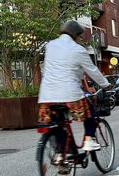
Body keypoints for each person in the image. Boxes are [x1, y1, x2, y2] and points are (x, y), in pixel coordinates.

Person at [38, 20, 110, 152]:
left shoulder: (50, 45)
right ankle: (89, 140)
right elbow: (92, 70)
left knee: (59, 124)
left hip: (47, 96)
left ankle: (61, 156)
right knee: (90, 111)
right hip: (69, 94)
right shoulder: (78, 49)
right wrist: (105, 84)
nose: (80, 39)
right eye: (80, 36)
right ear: (75, 35)